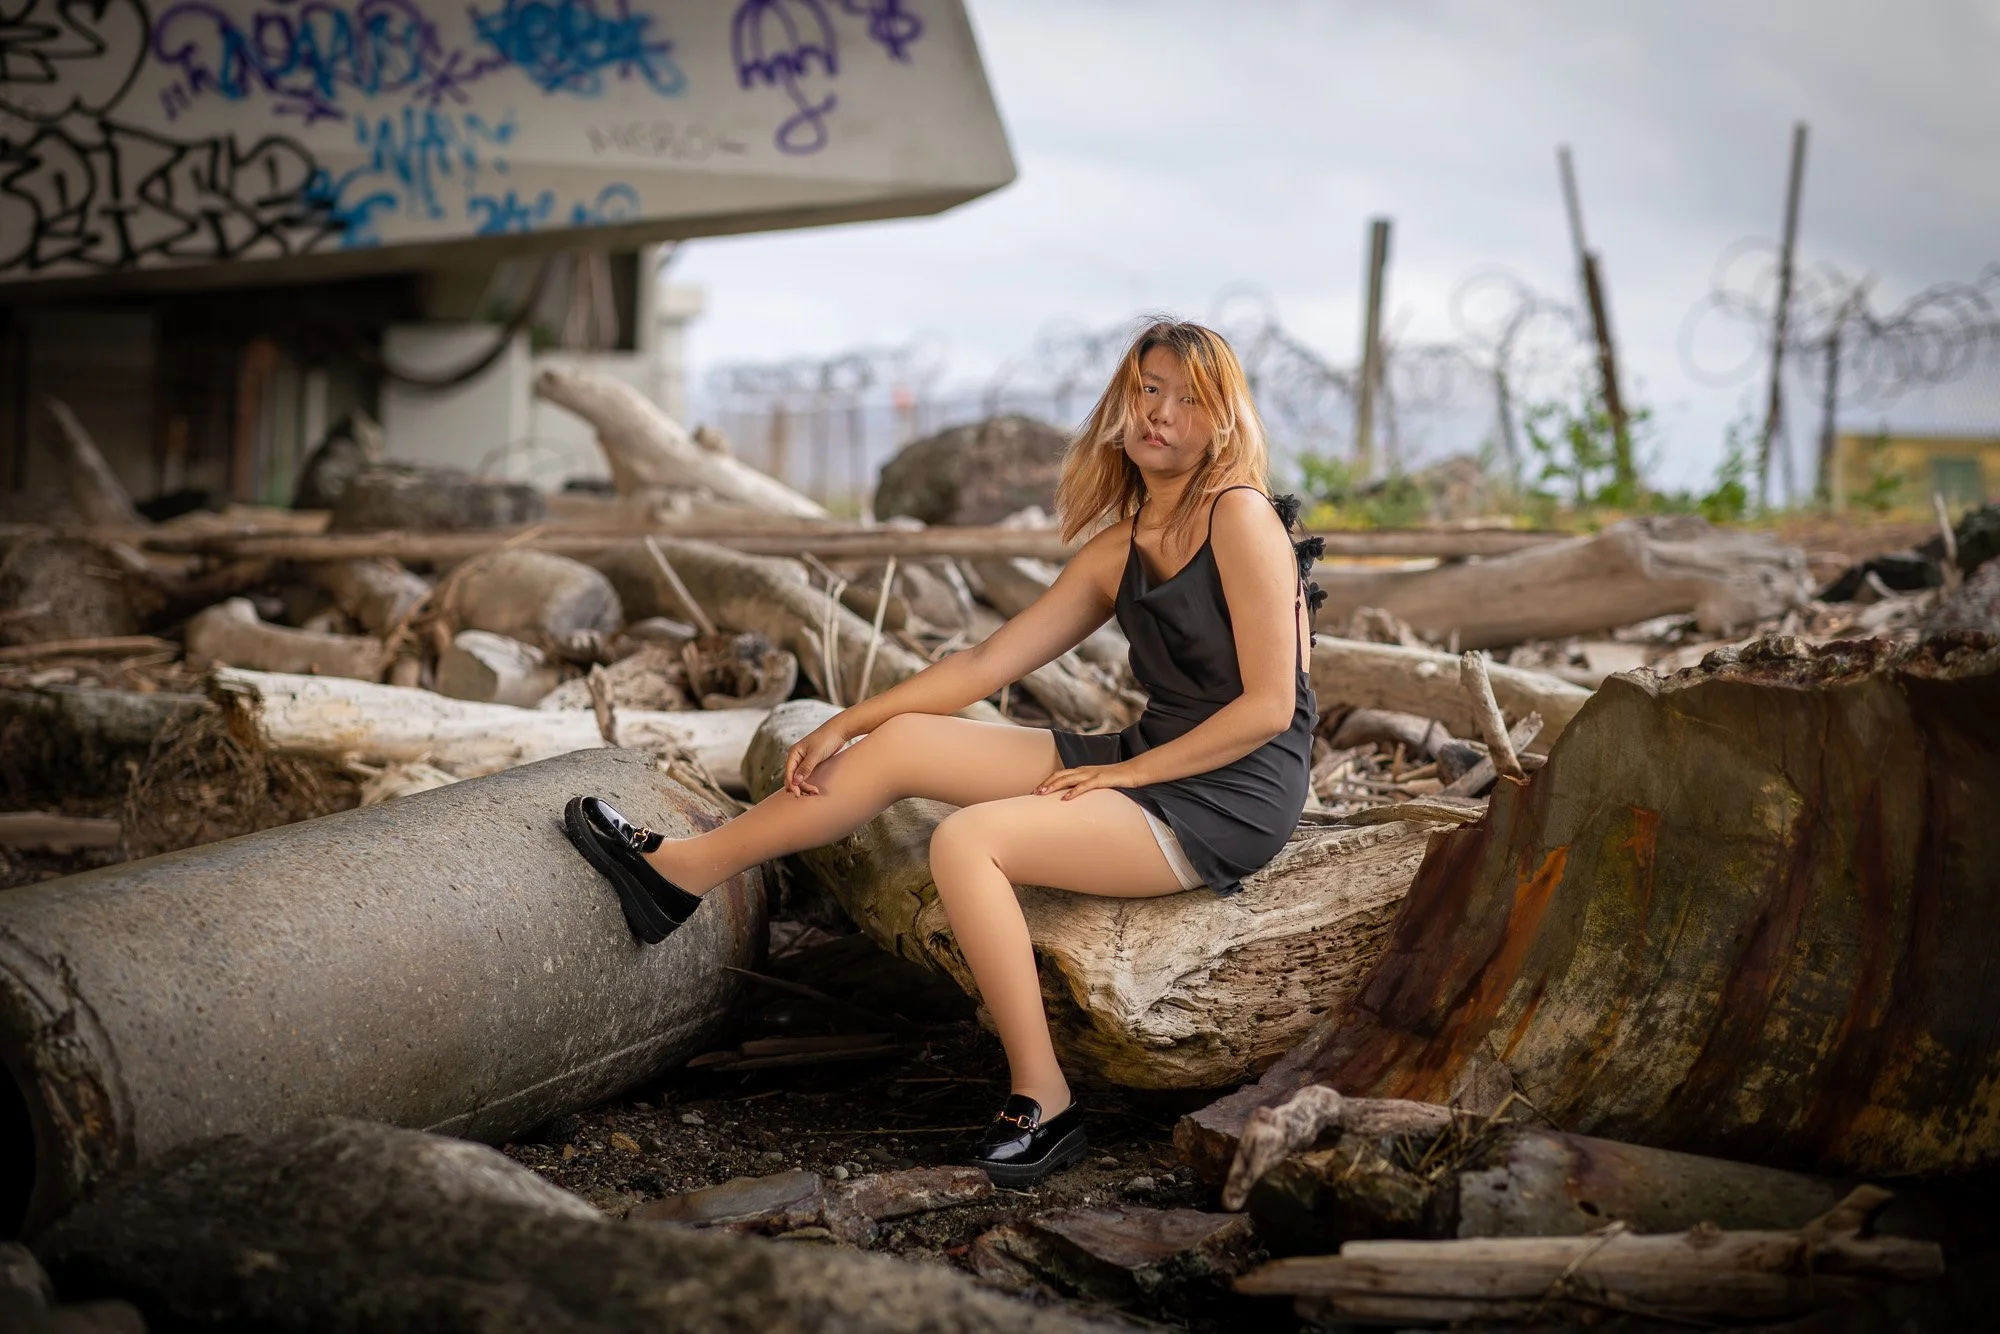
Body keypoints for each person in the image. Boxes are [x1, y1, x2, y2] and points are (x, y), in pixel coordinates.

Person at [562, 320, 1322, 1186]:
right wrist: (851, 718)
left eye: (1191, 400)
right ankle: (683, 875)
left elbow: (1269, 707)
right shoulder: (1120, 548)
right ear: (1124, 401)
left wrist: (1124, 774)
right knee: (907, 742)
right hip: (1158, 750)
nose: (1163, 415)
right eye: (1150, 390)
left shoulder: (1241, 516)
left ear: (1223, 420)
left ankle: (1046, 1100)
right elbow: (986, 664)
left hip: (1232, 792)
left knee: (969, 840)